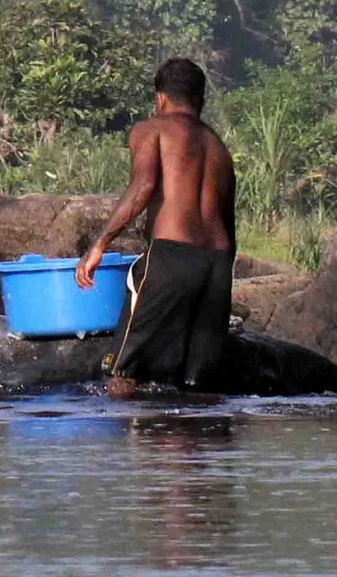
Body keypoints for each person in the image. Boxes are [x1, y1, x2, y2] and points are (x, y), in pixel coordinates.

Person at [75, 57, 236, 395]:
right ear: (200, 100)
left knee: (123, 372)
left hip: (171, 257)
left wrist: (98, 245)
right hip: (217, 266)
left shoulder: (152, 129)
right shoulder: (219, 148)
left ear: (161, 97)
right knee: (197, 384)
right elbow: (229, 224)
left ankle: (130, 444)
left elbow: (143, 187)